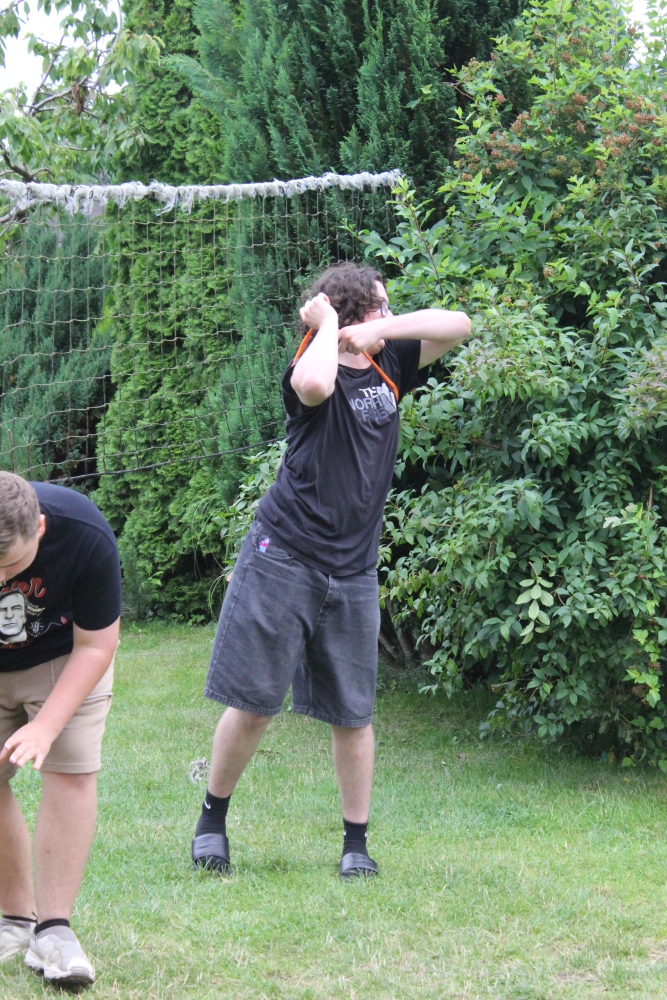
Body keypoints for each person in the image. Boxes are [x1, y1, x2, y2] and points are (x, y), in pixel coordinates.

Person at [191, 262, 471, 877]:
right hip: (285, 554)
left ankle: (355, 845)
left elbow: (459, 324)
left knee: (353, 712)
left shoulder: (390, 361)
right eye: (379, 304)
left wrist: (381, 331)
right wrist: (324, 328)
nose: (390, 311)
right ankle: (212, 821)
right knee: (254, 704)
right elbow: (316, 386)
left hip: (354, 567)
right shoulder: (309, 361)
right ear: (348, 310)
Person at [0, 473, 121, 984]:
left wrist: (47, 727)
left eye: (9, 565)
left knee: (70, 772)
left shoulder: (84, 533)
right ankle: (13, 921)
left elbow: (97, 645)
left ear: (40, 528)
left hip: (63, 656)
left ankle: (53, 931)